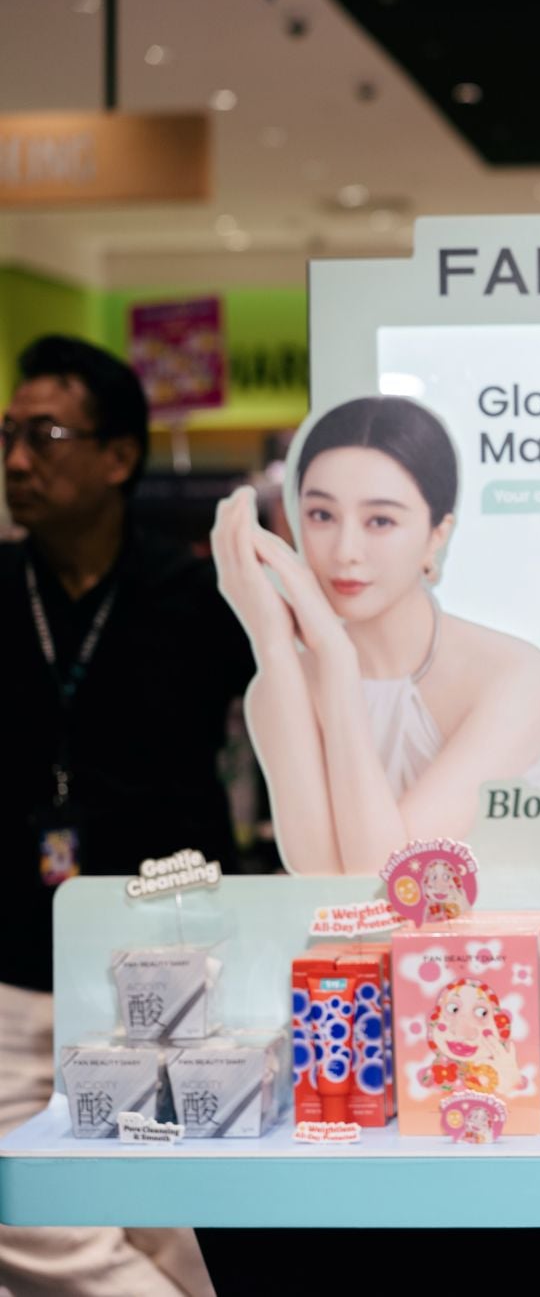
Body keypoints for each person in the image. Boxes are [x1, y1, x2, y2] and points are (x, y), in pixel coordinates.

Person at [2, 334, 240, 1297]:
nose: (19, 460)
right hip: (13, 968)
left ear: (119, 456)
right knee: (24, 1204)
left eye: (46, 435)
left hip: (167, 960)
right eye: (8, 435)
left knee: (165, 1200)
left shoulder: (199, 599)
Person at [212, 396, 540, 875]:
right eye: (321, 515)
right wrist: (273, 645)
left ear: (437, 535)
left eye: (380, 520)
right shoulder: (281, 688)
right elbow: (322, 884)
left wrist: (336, 659)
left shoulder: (516, 676)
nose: (345, 551)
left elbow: (388, 877)